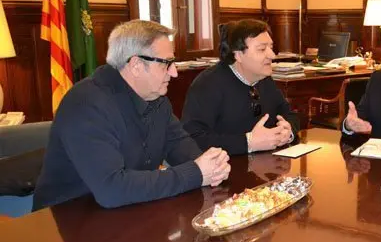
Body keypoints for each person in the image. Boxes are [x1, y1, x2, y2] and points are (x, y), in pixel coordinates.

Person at [33, 20, 231, 210]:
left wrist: (213, 167)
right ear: (136, 65)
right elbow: (112, 189)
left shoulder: (157, 99)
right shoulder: (85, 104)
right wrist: (196, 173)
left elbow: (182, 149)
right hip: (65, 222)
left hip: (128, 210)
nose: (174, 73)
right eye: (166, 64)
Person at [182, 19, 298, 155]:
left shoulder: (264, 78)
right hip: (224, 170)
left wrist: (288, 131)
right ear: (238, 55)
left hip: (266, 167)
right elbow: (193, 139)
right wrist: (248, 143)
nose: (272, 55)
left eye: (271, 47)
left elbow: (289, 115)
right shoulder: (208, 84)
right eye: (262, 49)